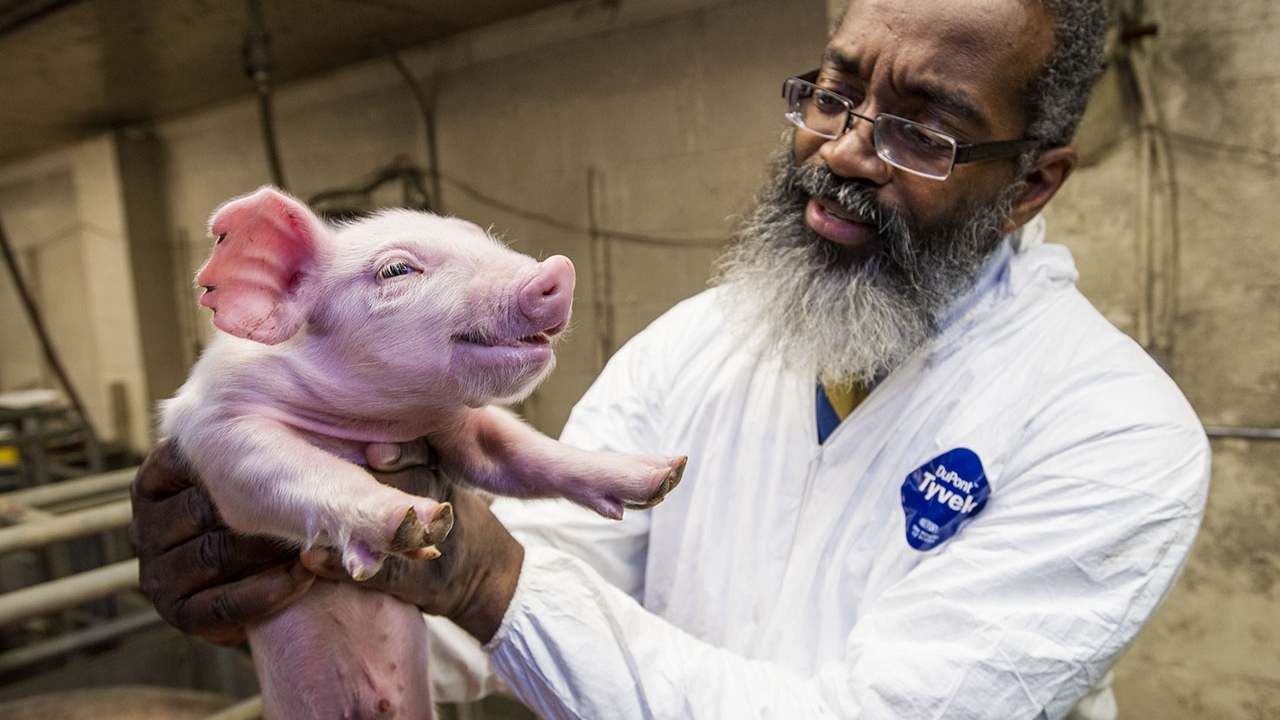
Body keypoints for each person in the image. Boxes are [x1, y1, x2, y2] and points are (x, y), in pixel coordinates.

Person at [130, 0, 1211, 717]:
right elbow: (538, 585)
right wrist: (284, 585)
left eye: (919, 133)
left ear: (1030, 183)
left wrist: (476, 568)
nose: (839, 151)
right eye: (833, 96)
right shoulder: (698, 344)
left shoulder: (1110, 431)